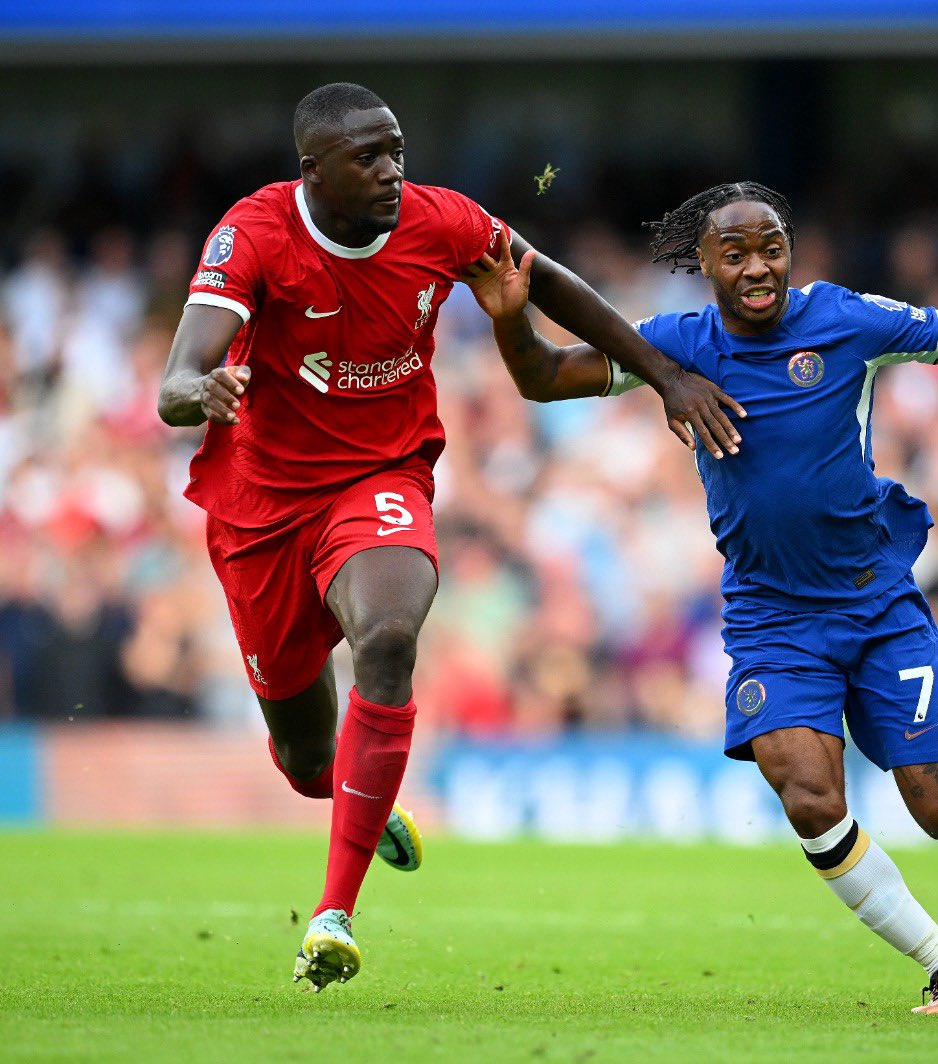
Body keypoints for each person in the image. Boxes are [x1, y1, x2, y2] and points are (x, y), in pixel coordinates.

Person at [463, 181, 938, 1013]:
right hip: (771, 617)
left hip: (875, 602)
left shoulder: (849, 320)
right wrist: (510, 314)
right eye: (736, 254)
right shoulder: (673, 344)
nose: (758, 267)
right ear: (704, 264)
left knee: (937, 808)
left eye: (772, 248)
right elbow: (543, 379)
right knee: (806, 790)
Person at [156, 83, 741, 991]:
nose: (393, 171)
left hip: (379, 478)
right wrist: (205, 392)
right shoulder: (256, 233)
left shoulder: (445, 222)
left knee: (388, 638)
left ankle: (333, 914)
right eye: (368, 158)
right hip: (261, 508)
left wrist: (664, 375)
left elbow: (552, 285)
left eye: (397, 150)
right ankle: (361, 796)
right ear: (313, 172)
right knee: (309, 760)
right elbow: (174, 381)